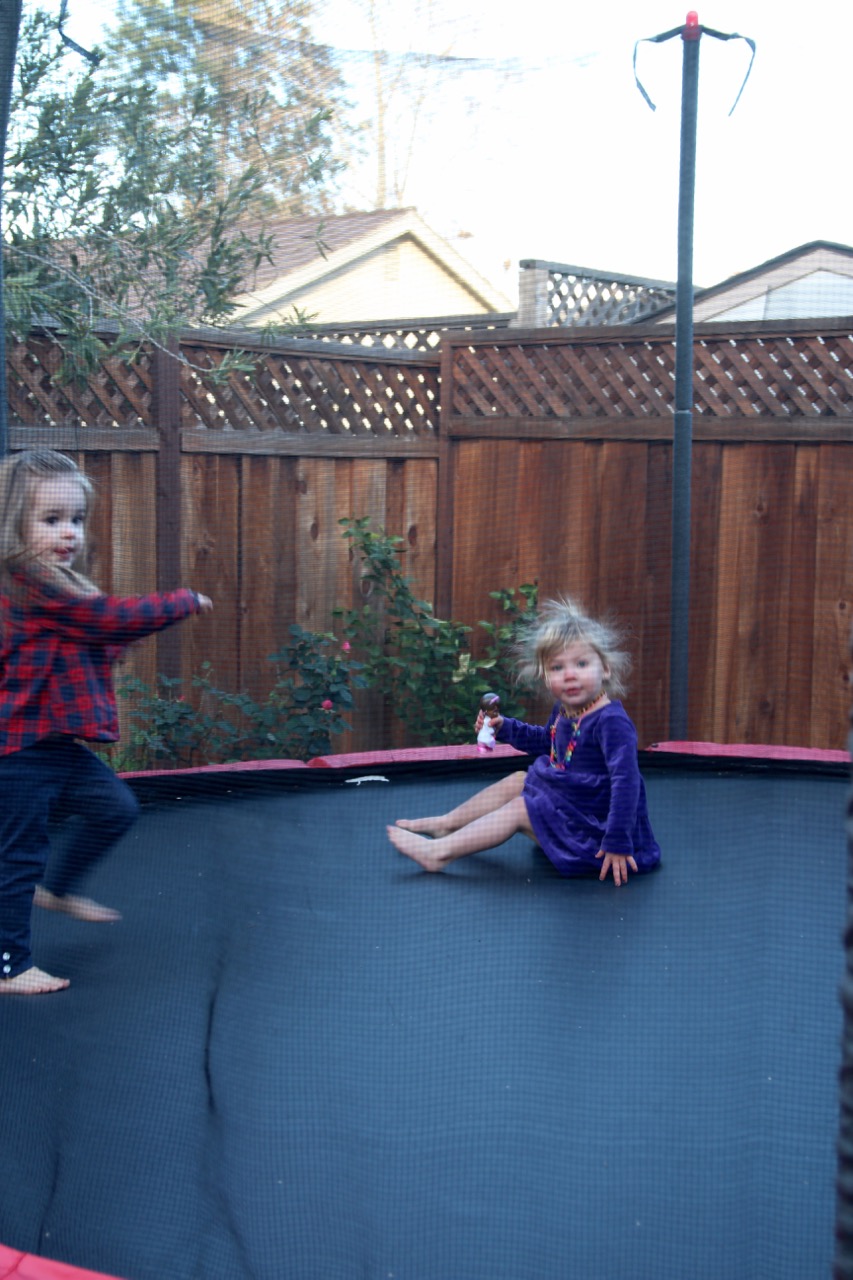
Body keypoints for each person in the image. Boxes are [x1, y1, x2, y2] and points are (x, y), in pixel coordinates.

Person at [0, 449, 213, 995]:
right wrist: (181, 601)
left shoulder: (59, 584)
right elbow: (107, 620)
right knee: (17, 858)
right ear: (12, 523)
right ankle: (9, 965)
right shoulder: (27, 579)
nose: (68, 532)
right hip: (18, 750)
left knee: (115, 807)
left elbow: (93, 635)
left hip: (52, 744)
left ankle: (61, 888)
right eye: (50, 520)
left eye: (75, 519)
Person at [388, 595, 660, 886]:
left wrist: (617, 841)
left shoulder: (612, 723)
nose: (569, 675)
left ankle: (437, 854)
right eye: (557, 668)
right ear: (545, 677)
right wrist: (504, 727)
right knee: (520, 779)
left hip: (598, 838)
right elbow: (547, 743)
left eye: (581, 663)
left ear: (605, 668)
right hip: (574, 810)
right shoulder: (566, 710)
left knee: (521, 807)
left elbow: (627, 782)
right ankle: (446, 825)